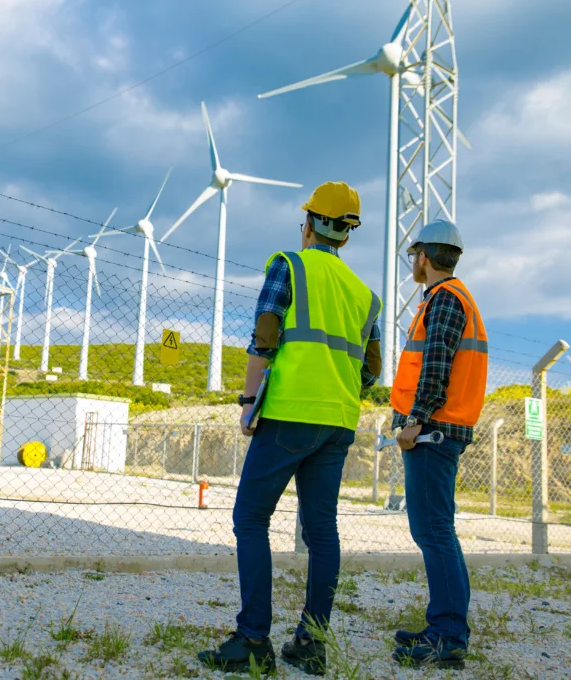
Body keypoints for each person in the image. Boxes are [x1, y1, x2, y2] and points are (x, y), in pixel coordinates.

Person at [198, 182, 381, 675]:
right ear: (346, 234)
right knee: (322, 532)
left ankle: (253, 638)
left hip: (289, 413)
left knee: (251, 519)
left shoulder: (290, 266)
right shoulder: (366, 296)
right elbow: (370, 371)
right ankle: (312, 643)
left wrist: (247, 403)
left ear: (309, 223)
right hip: (339, 420)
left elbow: (264, 336)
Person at [389, 219, 487, 669]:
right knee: (438, 530)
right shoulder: (455, 298)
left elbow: (435, 366)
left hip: (433, 432)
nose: (413, 262)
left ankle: (448, 635)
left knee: (433, 531)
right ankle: (448, 627)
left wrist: (414, 421)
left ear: (424, 257)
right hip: (441, 429)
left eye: (414, 255)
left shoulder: (445, 300)